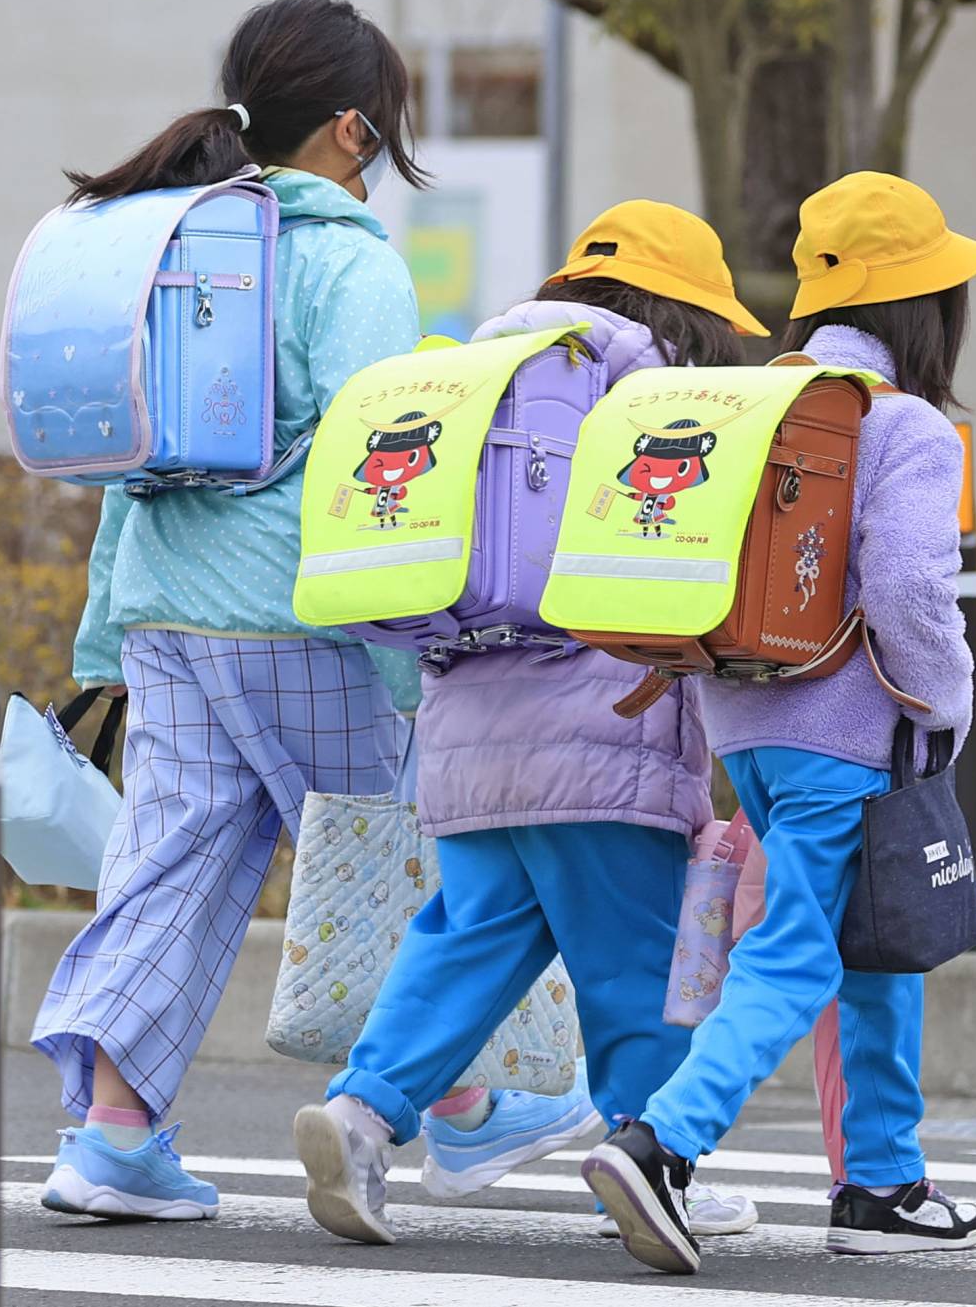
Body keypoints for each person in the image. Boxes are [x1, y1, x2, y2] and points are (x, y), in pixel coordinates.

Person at [292, 202, 768, 1247]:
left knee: (465, 941)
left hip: (466, 732)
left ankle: (362, 1113)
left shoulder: (478, 371)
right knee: (633, 964)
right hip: (600, 736)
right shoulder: (651, 391)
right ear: (680, 313)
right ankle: (654, 1164)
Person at [32, 0, 434, 1222]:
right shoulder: (351, 261)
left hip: (165, 607)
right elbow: (383, 465)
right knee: (409, 842)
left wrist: (105, 633)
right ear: (355, 133)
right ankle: (476, 1099)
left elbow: (125, 447)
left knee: (170, 865)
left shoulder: (175, 241)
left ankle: (111, 1135)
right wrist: (414, 656)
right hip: (298, 611)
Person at [584, 172, 976, 1274]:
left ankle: (880, 1180)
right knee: (802, 951)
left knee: (876, 944)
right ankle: (663, 1144)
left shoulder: (752, 398)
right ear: (925, 307)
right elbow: (909, 591)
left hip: (744, 719)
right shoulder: (903, 426)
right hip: (848, 734)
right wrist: (945, 701)